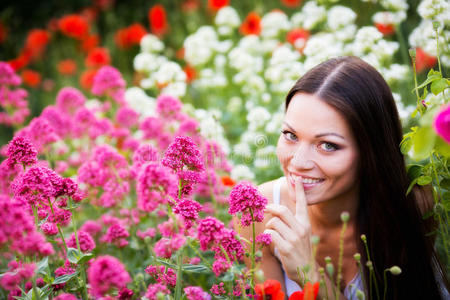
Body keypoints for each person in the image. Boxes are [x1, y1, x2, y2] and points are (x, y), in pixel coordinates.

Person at [236, 56, 449, 299]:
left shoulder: (415, 204)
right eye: (290, 135)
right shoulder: (258, 212)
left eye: (328, 145)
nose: (298, 162)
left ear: (371, 152)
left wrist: (309, 274)